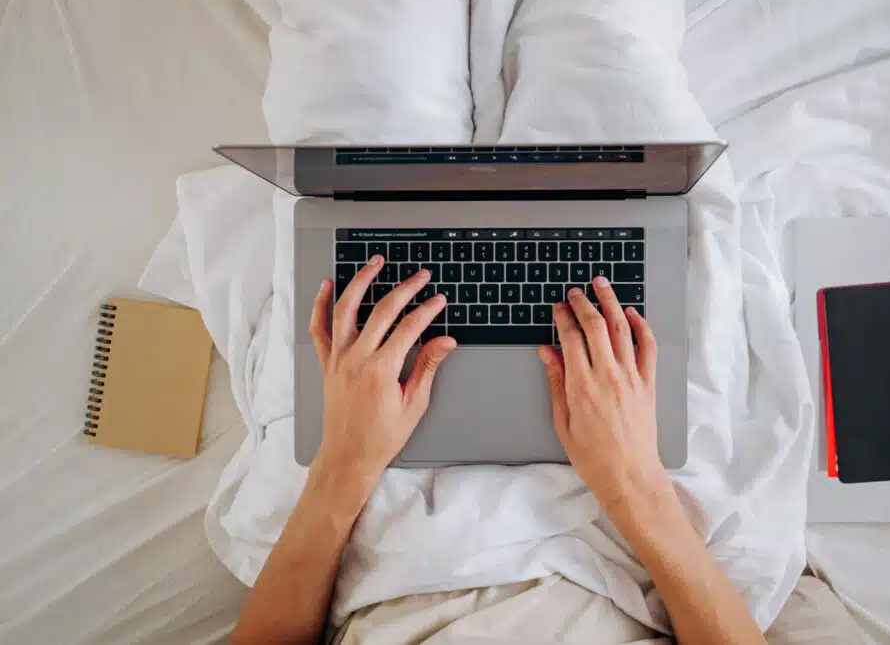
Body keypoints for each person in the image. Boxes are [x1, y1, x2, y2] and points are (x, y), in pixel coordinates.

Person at [229, 255, 767, 645]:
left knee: (354, 135)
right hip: (628, 526)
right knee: (625, 129)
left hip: (364, 517)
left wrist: (343, 461)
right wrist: (633, 480)